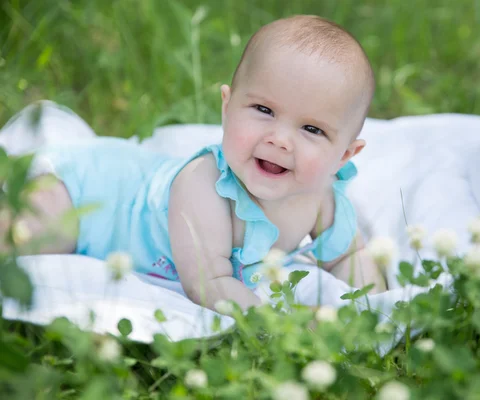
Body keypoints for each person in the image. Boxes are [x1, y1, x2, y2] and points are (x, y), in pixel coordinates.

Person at [0, 15, 387, 311]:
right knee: (31, 234)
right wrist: (282, 329)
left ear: (345, 156)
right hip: (91, 193)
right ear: (227, 107)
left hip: (123, 176)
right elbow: (209, 283)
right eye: (264, 109)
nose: (280, 139)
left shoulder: (321, 200)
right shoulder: (204, 187)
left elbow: (351, 256)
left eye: (312, 129)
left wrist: (370, 311)